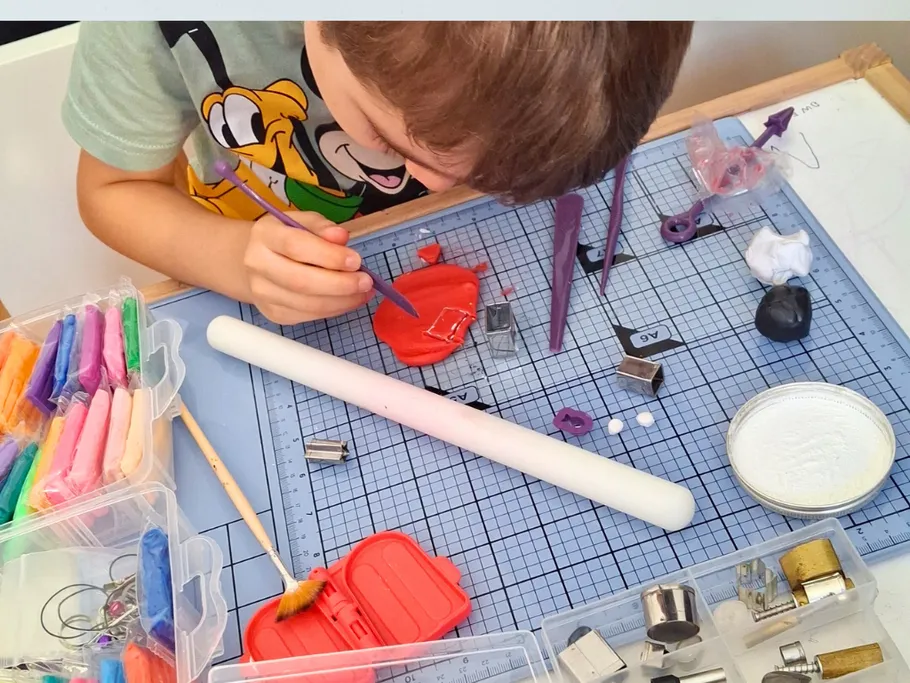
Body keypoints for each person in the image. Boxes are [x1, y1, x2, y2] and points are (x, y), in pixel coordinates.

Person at [64, 21, 693, 325]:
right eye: (392, 139)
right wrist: (235, 262)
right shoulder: (148, 20)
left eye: (482, 173)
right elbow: (111, 193)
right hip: (255, 254)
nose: (440, 182)